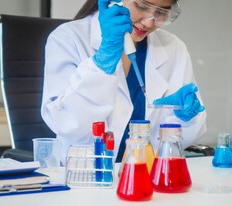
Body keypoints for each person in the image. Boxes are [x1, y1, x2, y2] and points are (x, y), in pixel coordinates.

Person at [41, 0, 207, 164]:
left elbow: (182, 138)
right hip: (89, 175)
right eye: (142, 6)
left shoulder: (174, 47)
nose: (149, 22)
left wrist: (185, 117)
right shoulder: (68, 38)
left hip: (148, 174)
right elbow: (66, 123)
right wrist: (100, 65)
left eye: (161, 12)